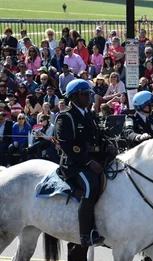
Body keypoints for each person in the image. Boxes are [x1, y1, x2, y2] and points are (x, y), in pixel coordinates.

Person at [55, 79, 106, 247]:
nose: (89, 98)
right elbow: (67, 145)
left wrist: (109, 146)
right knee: (91, 186)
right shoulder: (66, 117)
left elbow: (99, 135)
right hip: (74, 165)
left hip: (92, 160)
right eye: (86, 94)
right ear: (75, 97)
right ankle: (85, 235)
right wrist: (89, 162)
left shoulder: (89, 114)